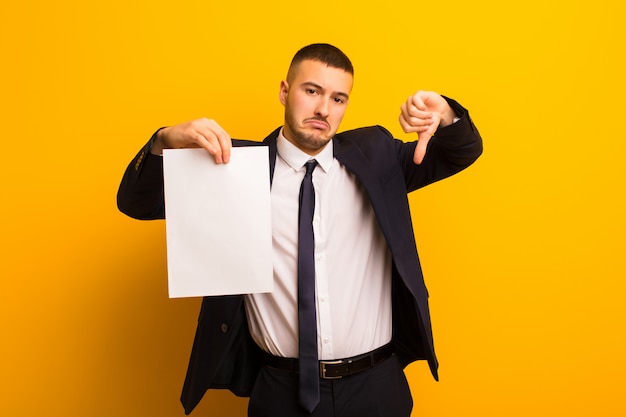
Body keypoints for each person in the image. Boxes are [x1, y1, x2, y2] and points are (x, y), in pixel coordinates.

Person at [117, 43, 483, 417]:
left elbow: (461, 152)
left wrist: (448, 114)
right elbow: (136, 202)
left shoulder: (378, 158)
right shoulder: (232, 172)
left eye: (338, 98)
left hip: (376, 387)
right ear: (284, 91)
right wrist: (163, 142)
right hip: (281, 391)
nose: (324, 109)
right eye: (312, 91)